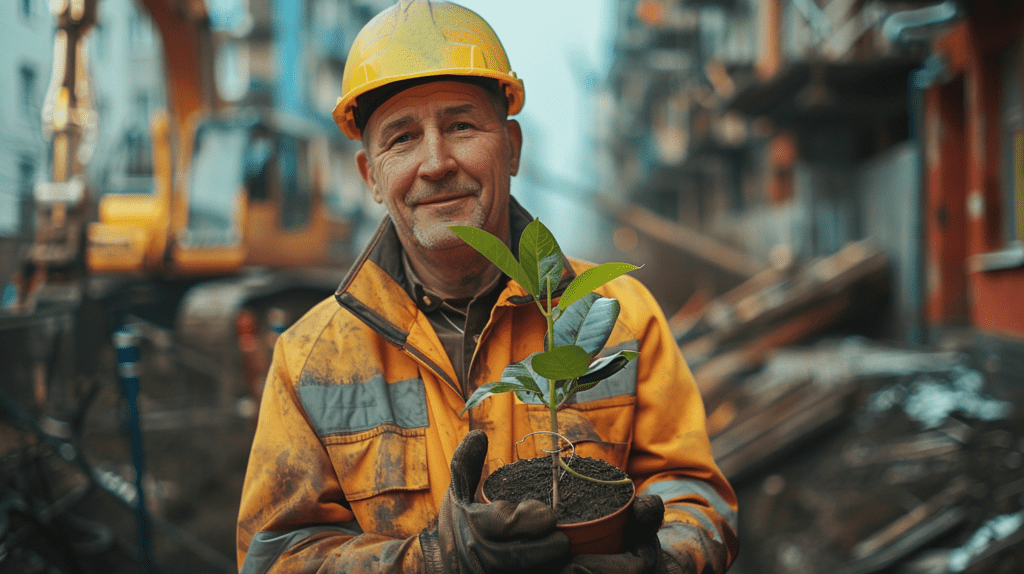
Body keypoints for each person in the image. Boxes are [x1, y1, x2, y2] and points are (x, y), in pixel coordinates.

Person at [236, 1, 738, 572]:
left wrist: (665, 560)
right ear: (370, 175)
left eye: (461, 125)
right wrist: (435, 560)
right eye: (401, 138)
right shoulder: (309, 361)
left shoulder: (623, 318)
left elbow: (696, 496)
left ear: (512, 147)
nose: (436, 162)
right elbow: (275, 557)